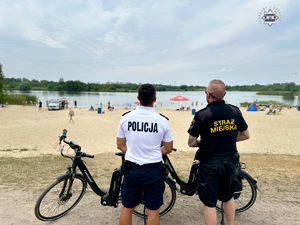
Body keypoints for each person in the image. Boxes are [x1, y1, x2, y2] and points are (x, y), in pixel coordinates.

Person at [187, 79, 250, 225]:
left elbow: (191, 142)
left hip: (209, 164)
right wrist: (226, 140)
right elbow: (245, 135)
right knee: (228, 197)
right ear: (224, 94)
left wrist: (207, 142)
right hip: (229, 162)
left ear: (208, 95)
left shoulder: (203, 114)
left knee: (209, 203)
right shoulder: (235, 111)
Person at [116, 83, 173, 225]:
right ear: (155, 99)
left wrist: (136, 153)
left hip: (132, 168)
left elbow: (120, 145)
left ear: (138, 98)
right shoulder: (162, 121)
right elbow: (168, 148)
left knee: (127, 208)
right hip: (153, 169)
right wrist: (151, 152)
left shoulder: (125, 118)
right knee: (153, 211)